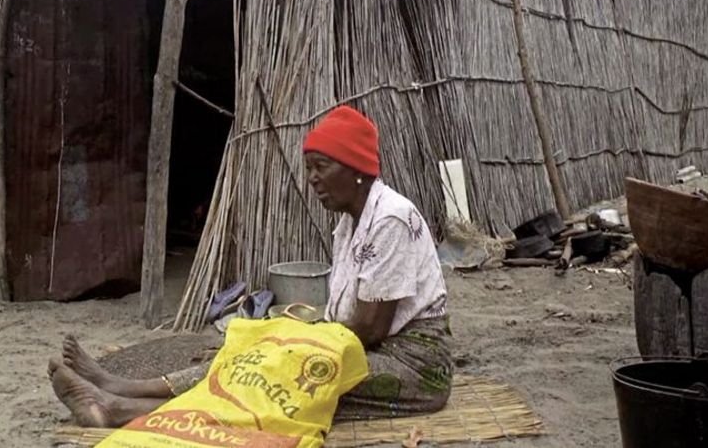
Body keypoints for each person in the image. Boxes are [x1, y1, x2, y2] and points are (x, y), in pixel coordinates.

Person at [48, 105, 452, 426]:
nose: (311, 178)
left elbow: (370, 329)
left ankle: (118, 408)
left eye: (321, 167)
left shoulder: (390, 220)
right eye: (308, 168)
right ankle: (122, 388)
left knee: (274, 379)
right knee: (254, 355)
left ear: (358, 170)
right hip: (366, 349)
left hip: (412, 369)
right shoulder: (352, 223)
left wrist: (292, 345)